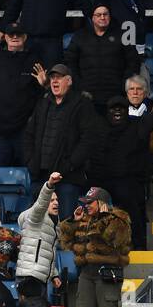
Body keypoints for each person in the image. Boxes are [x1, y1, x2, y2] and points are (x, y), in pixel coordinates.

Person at [94, 93, 153, 250]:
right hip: (104, 181)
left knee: (130, 200)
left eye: (121, 108)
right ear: (108, 112)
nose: (118, 112)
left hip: (130, 182)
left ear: (127, 111)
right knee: (91, 197)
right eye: (114, 109)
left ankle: (138, 247)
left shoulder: (138, 125)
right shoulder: (100, 129)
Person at [25, 64, 102, 217]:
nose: (55, 81)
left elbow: (88, 140)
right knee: (37, 222)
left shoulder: (82, 104)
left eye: (59, 78)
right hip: (41, 176)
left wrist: (70, 165)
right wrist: (30, 160)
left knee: (67, 224)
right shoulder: (43, 102)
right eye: (52, 78)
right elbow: (29, 134)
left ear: (69, 81)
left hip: (68, 178)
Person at [0, 23, 43, 167]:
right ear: (5, 38)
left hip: (25, 130)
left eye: (19, 34)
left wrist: (44, 85)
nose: (15, 37)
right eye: (11, 34)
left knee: (28, 174)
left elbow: (40, 96)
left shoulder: (34, 61)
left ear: (25, 37)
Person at [64, 4, 143, 110]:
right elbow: (70, 63)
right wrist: (79, 86)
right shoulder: (80, 36)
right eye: (98, 15)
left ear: (110, 16)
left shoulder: (122, 35)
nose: (102, 17)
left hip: (115, 96)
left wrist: (124, 85)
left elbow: (133, 61)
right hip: (86, 97)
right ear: (92, 17)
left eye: (105, 14)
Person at [16, 173, 62, 290]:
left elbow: (45, 251)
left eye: (56, 200)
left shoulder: (54, 222)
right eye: (51, 200)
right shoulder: (35, 217)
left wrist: (53, 275)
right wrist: (50, 185)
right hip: (29, 276)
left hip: (40, 276)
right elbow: (41, 204)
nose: (56, 203)